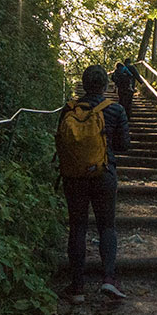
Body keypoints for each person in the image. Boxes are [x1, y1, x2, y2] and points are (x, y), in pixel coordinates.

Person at [59, 64, 131, 302]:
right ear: (106, 85)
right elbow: (123, 145)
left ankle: (77, 286)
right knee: (107, 226)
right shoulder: (115, 110)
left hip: (73, 176)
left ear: (84, 83)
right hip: (104, 173)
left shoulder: (69, 108)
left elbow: (60, 141)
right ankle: (109, 279)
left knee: (77, 227)